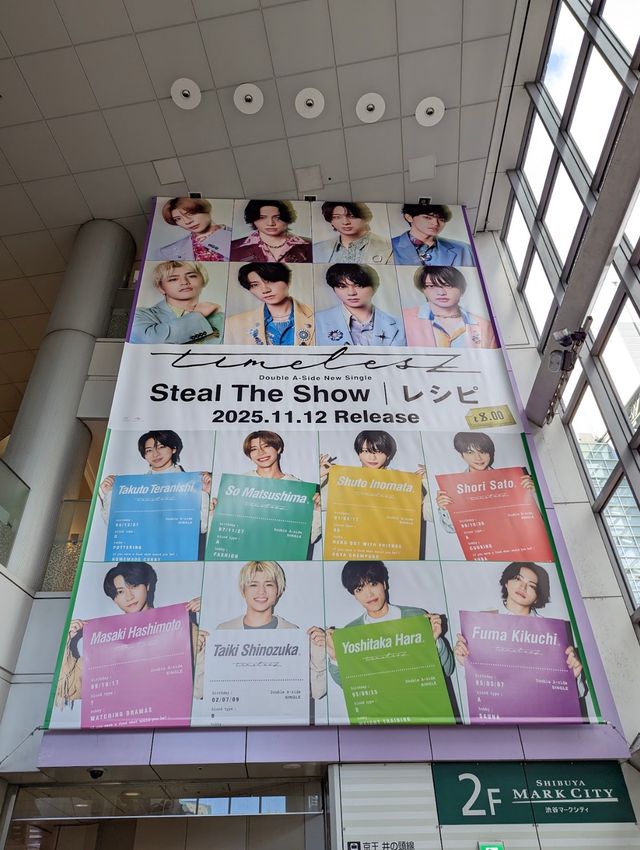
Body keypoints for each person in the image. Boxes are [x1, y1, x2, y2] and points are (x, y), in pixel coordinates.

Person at [54, 562, 206, 707]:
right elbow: (70, 688)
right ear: (114, 599)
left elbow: (202, 688)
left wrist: (211, 612)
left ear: (147, 585)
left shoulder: (177, 626)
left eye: (133, 586)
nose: (129, 596)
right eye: (120, 592)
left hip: (168, 717)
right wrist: (66, 642)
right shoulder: (106, 639)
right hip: (122, 722)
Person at [453, 561, 586, 696]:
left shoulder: (551, 633)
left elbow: (576, 693)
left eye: (532, 586)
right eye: (518, 579)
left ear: (537, 597)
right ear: (506, 582)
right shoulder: (482, 625)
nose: (523, 587)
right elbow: (476, 690)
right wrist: (466, 663)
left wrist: (574, 675)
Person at [320, 561, 455, 688]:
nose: (369, 594)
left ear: (384, 584)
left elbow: (447, 670)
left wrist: (435, 641)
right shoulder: (351, 632)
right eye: (359, 589)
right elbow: (350, 685)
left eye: (373, 584)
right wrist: (335, 657)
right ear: (354, 595)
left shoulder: (415, 617)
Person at [217, 560, 326, 700]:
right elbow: (200, 691)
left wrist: (319, 651)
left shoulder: (292, 633)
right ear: (243, 590)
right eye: (253, 584)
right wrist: (198, 651)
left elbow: (317, 692)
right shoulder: (223, 631)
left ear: (278, 591)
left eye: (269, 584)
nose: (261, 591)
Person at [320, 430, 432, 557]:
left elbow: (428, 514)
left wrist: (428, 482)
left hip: (391, 550)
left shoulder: (404, 482)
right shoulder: (344, 479)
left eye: (378, 452)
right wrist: (320, 475)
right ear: (359, 453)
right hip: (354, 549)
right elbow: (318, 504)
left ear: (388, 455)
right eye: (366, 451)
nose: (372, 458)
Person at [98, 430, 212, 551]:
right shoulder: (132, 488)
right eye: (149, 450)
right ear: (144, 455)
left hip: (179, 553)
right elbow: (116, 526)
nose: (155, 454)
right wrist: (110, 494)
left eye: (161, 447)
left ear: (173, 448)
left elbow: (202, 527)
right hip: (141, 553)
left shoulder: (193, 483)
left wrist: (204, 492)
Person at [210, 431, 321, 548]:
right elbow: (223, 533)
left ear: (278, 448)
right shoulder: (237, 486)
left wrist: (317, 511)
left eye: (266, 446)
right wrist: (213, 514)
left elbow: (306, 539)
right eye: (254, 449)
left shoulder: (297, 488)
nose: (260, 452)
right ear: (249, 455)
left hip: (280, 552)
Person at [435, 431, 534, 534]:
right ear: (461, 455)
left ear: (490, 453)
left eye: (482, 452)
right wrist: (444, 509)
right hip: (479, 542)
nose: (478, 458)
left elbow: (526, 519)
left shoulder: (511, 480)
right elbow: (451, 529)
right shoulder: (454, 488)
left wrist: (533, 494)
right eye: (470, 452)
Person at [131, 261, 224, 344]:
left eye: (192, 276)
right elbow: (150, 341)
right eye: (173, 279)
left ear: (203, 281)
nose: (184, 282)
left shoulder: (221, 318)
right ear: (161, 288)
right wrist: (198, 314)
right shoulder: (139, 315)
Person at [403, 266, 497, 348]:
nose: (441, 293)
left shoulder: (485, 326)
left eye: (448, 286)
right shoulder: (404, 319)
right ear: (422, 289)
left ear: (461, 289)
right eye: (431, 286)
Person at [225, 262, 314, 345]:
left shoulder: (316, 316)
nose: (265, 290)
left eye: (270, 281)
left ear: (287, 281)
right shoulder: (233, 324)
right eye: (255, 285)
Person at [315, 263, 405, 346]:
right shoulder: (316, 321)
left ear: (375, 287)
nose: (351, 293)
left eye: (359, 285)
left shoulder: (400, 325)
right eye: (342, 286)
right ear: (334, 289)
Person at [391, 203, 474, 266]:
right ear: (409, 217)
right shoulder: (389, 246)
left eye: (441, 219)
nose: (435, 223)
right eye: (427, 217)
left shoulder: (463, 249)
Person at [230, 200, 312, 262]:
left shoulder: (309, 246)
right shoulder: (233, 248)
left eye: (277, 217)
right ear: (253, 218)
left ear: (286, 218)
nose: (270, 223)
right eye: (262, 217)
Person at [154, 197, 230, 262]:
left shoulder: (234, 236)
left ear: (206, 210)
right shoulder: (167, 252)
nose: (187, 221)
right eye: (178, 219)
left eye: (190, 214)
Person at [314, 202, 392, 264]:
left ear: (365, 218)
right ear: (331, 221)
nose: (345, 222)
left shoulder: (389, 246)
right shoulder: (316, 249)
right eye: (337, 217)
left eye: (352, 216)